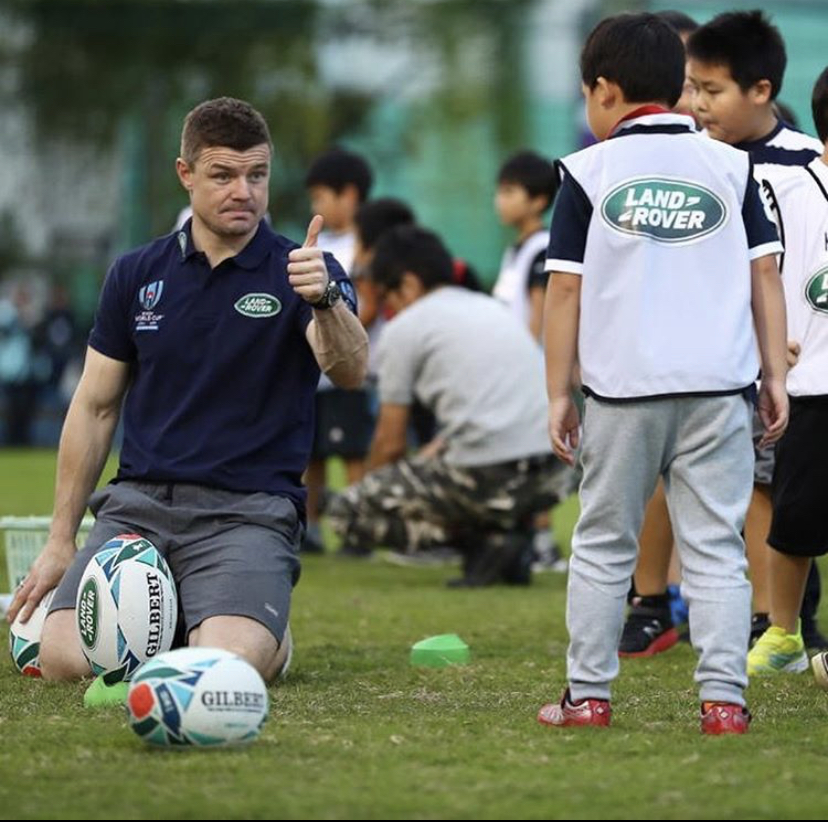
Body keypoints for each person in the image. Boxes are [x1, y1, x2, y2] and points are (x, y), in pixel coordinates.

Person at [6, 97, 368, 687]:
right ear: (186, 174)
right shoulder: (135, 273)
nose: (243, 191)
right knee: (66, 661)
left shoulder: (304, 268)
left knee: (223, 668)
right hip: (137, 507)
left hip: (248, 511)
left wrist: (325, 300)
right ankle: (186, 614)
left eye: (257, 175)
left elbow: (350, 371)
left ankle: (258, 629)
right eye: (223, 175)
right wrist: (58, 538)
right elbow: (96, 407)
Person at [537, 13, 787, 734]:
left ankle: (588, 698)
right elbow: (764, 274)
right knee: (715, 548)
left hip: (621, 393)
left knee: (603, 543)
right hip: (719, 388)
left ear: (605, 91)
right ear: (679, 86)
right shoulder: (730, 164)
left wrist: (559, 390)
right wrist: (773, 374)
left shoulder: (587, 172)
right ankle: (724, 704)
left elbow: (564, 289)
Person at [327, 225, 568, 587]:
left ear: (407, 284)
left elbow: (390, 443)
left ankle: (483, 545)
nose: (387, 308)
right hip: (553, 472)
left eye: (386, 296)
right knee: (440, 467)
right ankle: (506, 536)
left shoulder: (405, 328)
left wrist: (377, 488)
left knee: (347, 512)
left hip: (487, 474)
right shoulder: (489, 307)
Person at [747, 67, 828, 675]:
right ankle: (783, 634)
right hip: (812, 387)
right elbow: (761, 277)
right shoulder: (793, 194)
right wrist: (771, 346)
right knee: (793, 521)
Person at [302, 147, 376, 554]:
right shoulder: (317, 243)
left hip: (351, 371)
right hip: (314, 371)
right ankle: (309, 527)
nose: (317, 206)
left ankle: (357, 529)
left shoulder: (366, 243)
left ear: (349, 195)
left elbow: (369, 299)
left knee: (351, 452)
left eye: (321, 197)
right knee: (310, 454)